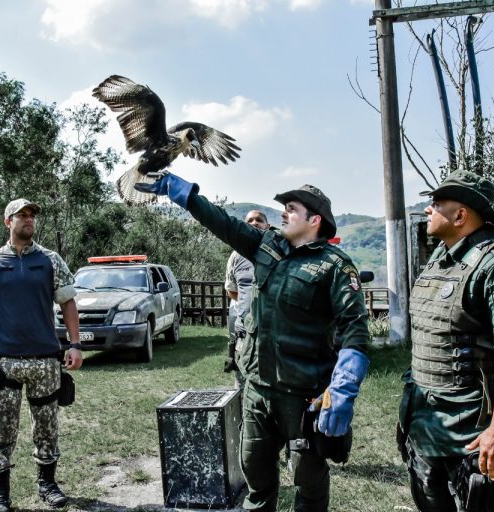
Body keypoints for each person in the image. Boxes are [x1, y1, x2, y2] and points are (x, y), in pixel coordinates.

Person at [136, 173, 371, 512]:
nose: (283, 214)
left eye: (291, 209)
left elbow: (355, 330)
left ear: (314, 220)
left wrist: (344, 388)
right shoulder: (265, 245)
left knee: (308, 482)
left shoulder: (333, 266)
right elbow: (223, 223)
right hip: (257, 390)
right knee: (256, 478)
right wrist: (186, 196)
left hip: (303, 396)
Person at [398, 171, 494, 512]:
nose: (428, 210)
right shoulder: (441, 258)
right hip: (427, 427)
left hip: (469, 435)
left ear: (461, 215)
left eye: (437, 204)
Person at [0, 198, 83, 512]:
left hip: (46, 361)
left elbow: (68, 303)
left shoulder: (50, 260)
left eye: (32, 215)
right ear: (8, 222)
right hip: (5, 361)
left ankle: (47, 485)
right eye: (22, 215)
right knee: (2, 428)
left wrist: (74, 345)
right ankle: (1, 497)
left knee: (47, 427)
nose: (29, 219)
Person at [224, 209, 270, 387]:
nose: (255, 223)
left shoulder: (280, 252)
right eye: (250, 220)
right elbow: (232, 291)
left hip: (272, 335)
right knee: (243, 385)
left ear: (267, 226)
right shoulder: (236, 256)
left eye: (259, 220)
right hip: (244, 334)